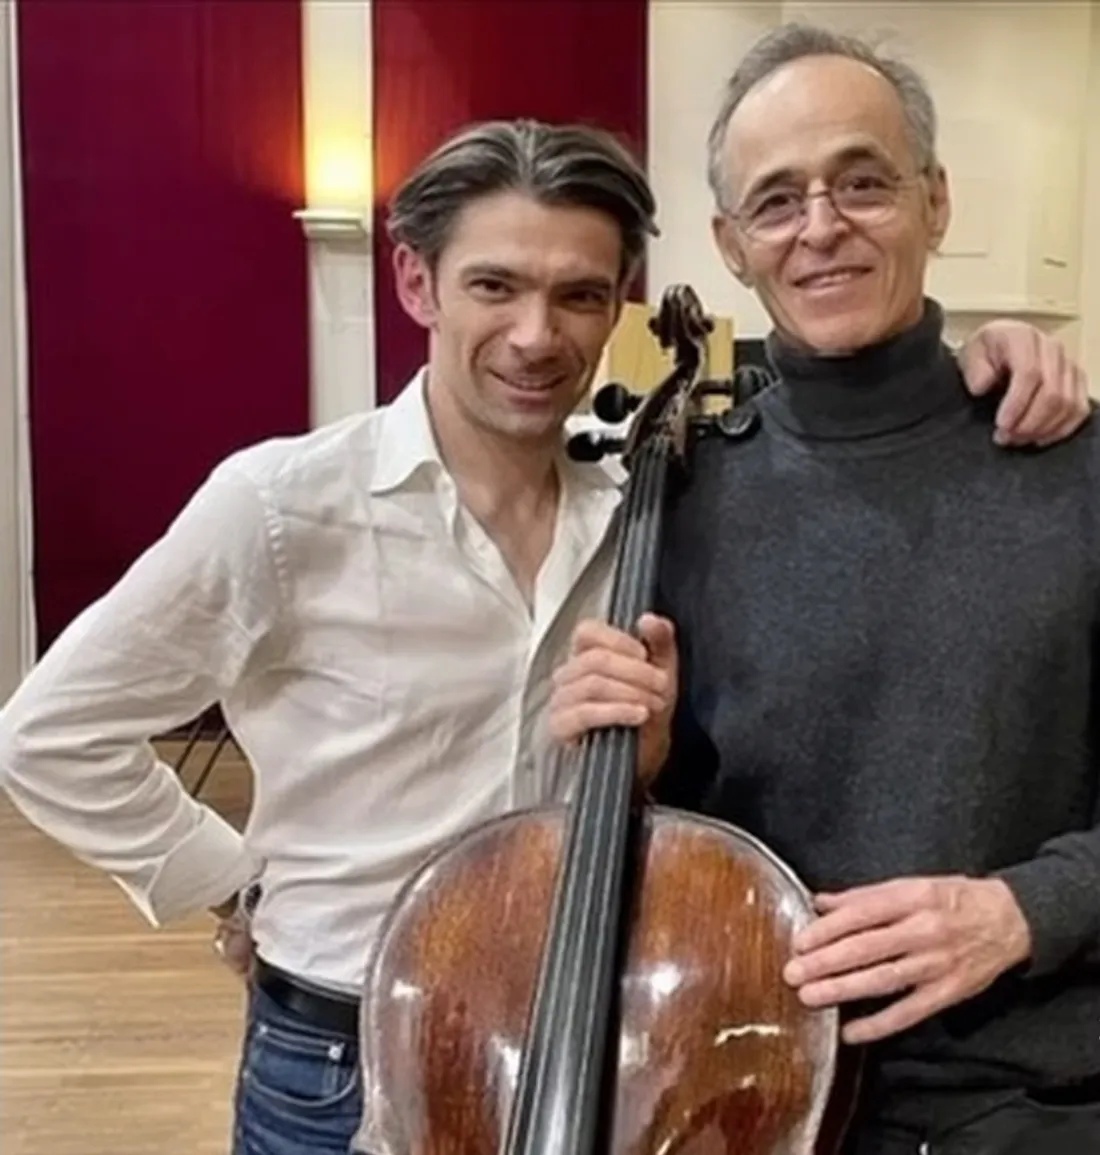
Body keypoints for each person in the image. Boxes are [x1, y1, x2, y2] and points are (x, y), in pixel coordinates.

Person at [0, 115, 1090, 1155]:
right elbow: (50, 737)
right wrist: (230, 881)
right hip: (346, 1045)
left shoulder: (638, 499)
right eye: (494, 285)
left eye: (578, 295)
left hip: (587, 1029)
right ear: (416, 282)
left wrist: (994, 355)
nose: (536, 336)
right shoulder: (284, 507)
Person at [549, 23, 1100, 1155]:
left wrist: (1022, 910)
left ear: (934, 201)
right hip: (741, 1091)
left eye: (862, 182)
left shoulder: (1075, 464)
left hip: (1034, 1098)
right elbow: (681, 848)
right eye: (776, 200)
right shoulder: (681, 490)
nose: (820, 228)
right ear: (730, 244)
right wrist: (644, 768)